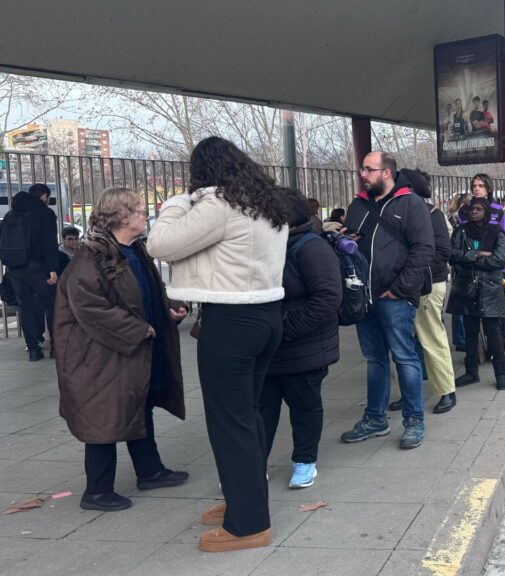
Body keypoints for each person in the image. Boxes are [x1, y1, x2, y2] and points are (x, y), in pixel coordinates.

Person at [147, 136, 290, 553]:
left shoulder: (219, 204)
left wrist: (176, 202)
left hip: (231, 321)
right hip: (266, 315)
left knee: (231, 422)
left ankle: (248, 524)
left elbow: (160, 245)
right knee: (249, 415)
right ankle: (245, 498)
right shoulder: (265, 204)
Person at [54, 187, 189, 513]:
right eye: (141, 210)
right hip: (98, 357)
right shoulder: (92, 256)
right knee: (102, 420)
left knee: (137, 405)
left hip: (126, 352)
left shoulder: (132, 250)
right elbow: (91, 308)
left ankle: (150, 471)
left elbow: (142, 291)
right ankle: (97, 491)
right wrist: (138, 329)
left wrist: (168, 308)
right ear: (122, 216)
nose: (146, 215)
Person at [340, 151, 434, 452]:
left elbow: (424, 250)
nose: (363, 174)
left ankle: (414, 420)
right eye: (362, 169)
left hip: (394, 298)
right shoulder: (359, 204)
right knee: (375, 359)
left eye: (369, 169)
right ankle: (375, 419)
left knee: (405, 358)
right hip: (364, 298)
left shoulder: (411, 204)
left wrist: (399, 289)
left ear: (387, 173)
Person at [259, 189, 342, 490]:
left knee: (304, 406)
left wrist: (284, 328)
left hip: (302, 346)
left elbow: (328, 297)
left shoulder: (311, 248)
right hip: (269, 348)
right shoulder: (265, 246)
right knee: (261, 409)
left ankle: (305, 460)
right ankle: (255, 464)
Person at [388, 170, 458, 414]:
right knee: (401, 344)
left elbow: (442, 253)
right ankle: (408, 393)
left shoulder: (433, 215)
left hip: (429, 284)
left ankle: (447, 390)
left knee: (431, 338)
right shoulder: (394, 213)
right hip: (401, 286)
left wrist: (415, 273)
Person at [448, 197, 505, 390]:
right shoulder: (461, 231)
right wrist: (476, 255)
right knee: (470, 333)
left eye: (478, 209)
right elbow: (452, 255)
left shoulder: (496, 232)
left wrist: (470, 261)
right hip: (468, 288)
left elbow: (499, 260)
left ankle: (502, 375)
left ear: (486, 212)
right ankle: (471, 372)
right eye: (471, 209)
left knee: (494, 333)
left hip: (490, 288)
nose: (474, 212)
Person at [0, 183, 58, 361]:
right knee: (52, 304)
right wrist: (53, 269)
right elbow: (50, 244)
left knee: (25, 307)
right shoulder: (45, 214)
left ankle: (33, 349)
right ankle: (55, 346)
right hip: (38, 267)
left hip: (15, 268)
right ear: (44, 197)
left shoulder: (11, 214)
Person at [447, 193, 471, 351]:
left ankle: (463, 339)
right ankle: (461, 340)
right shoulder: (454, 220)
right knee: (460, 305)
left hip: (465, 264)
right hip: (460, 265)